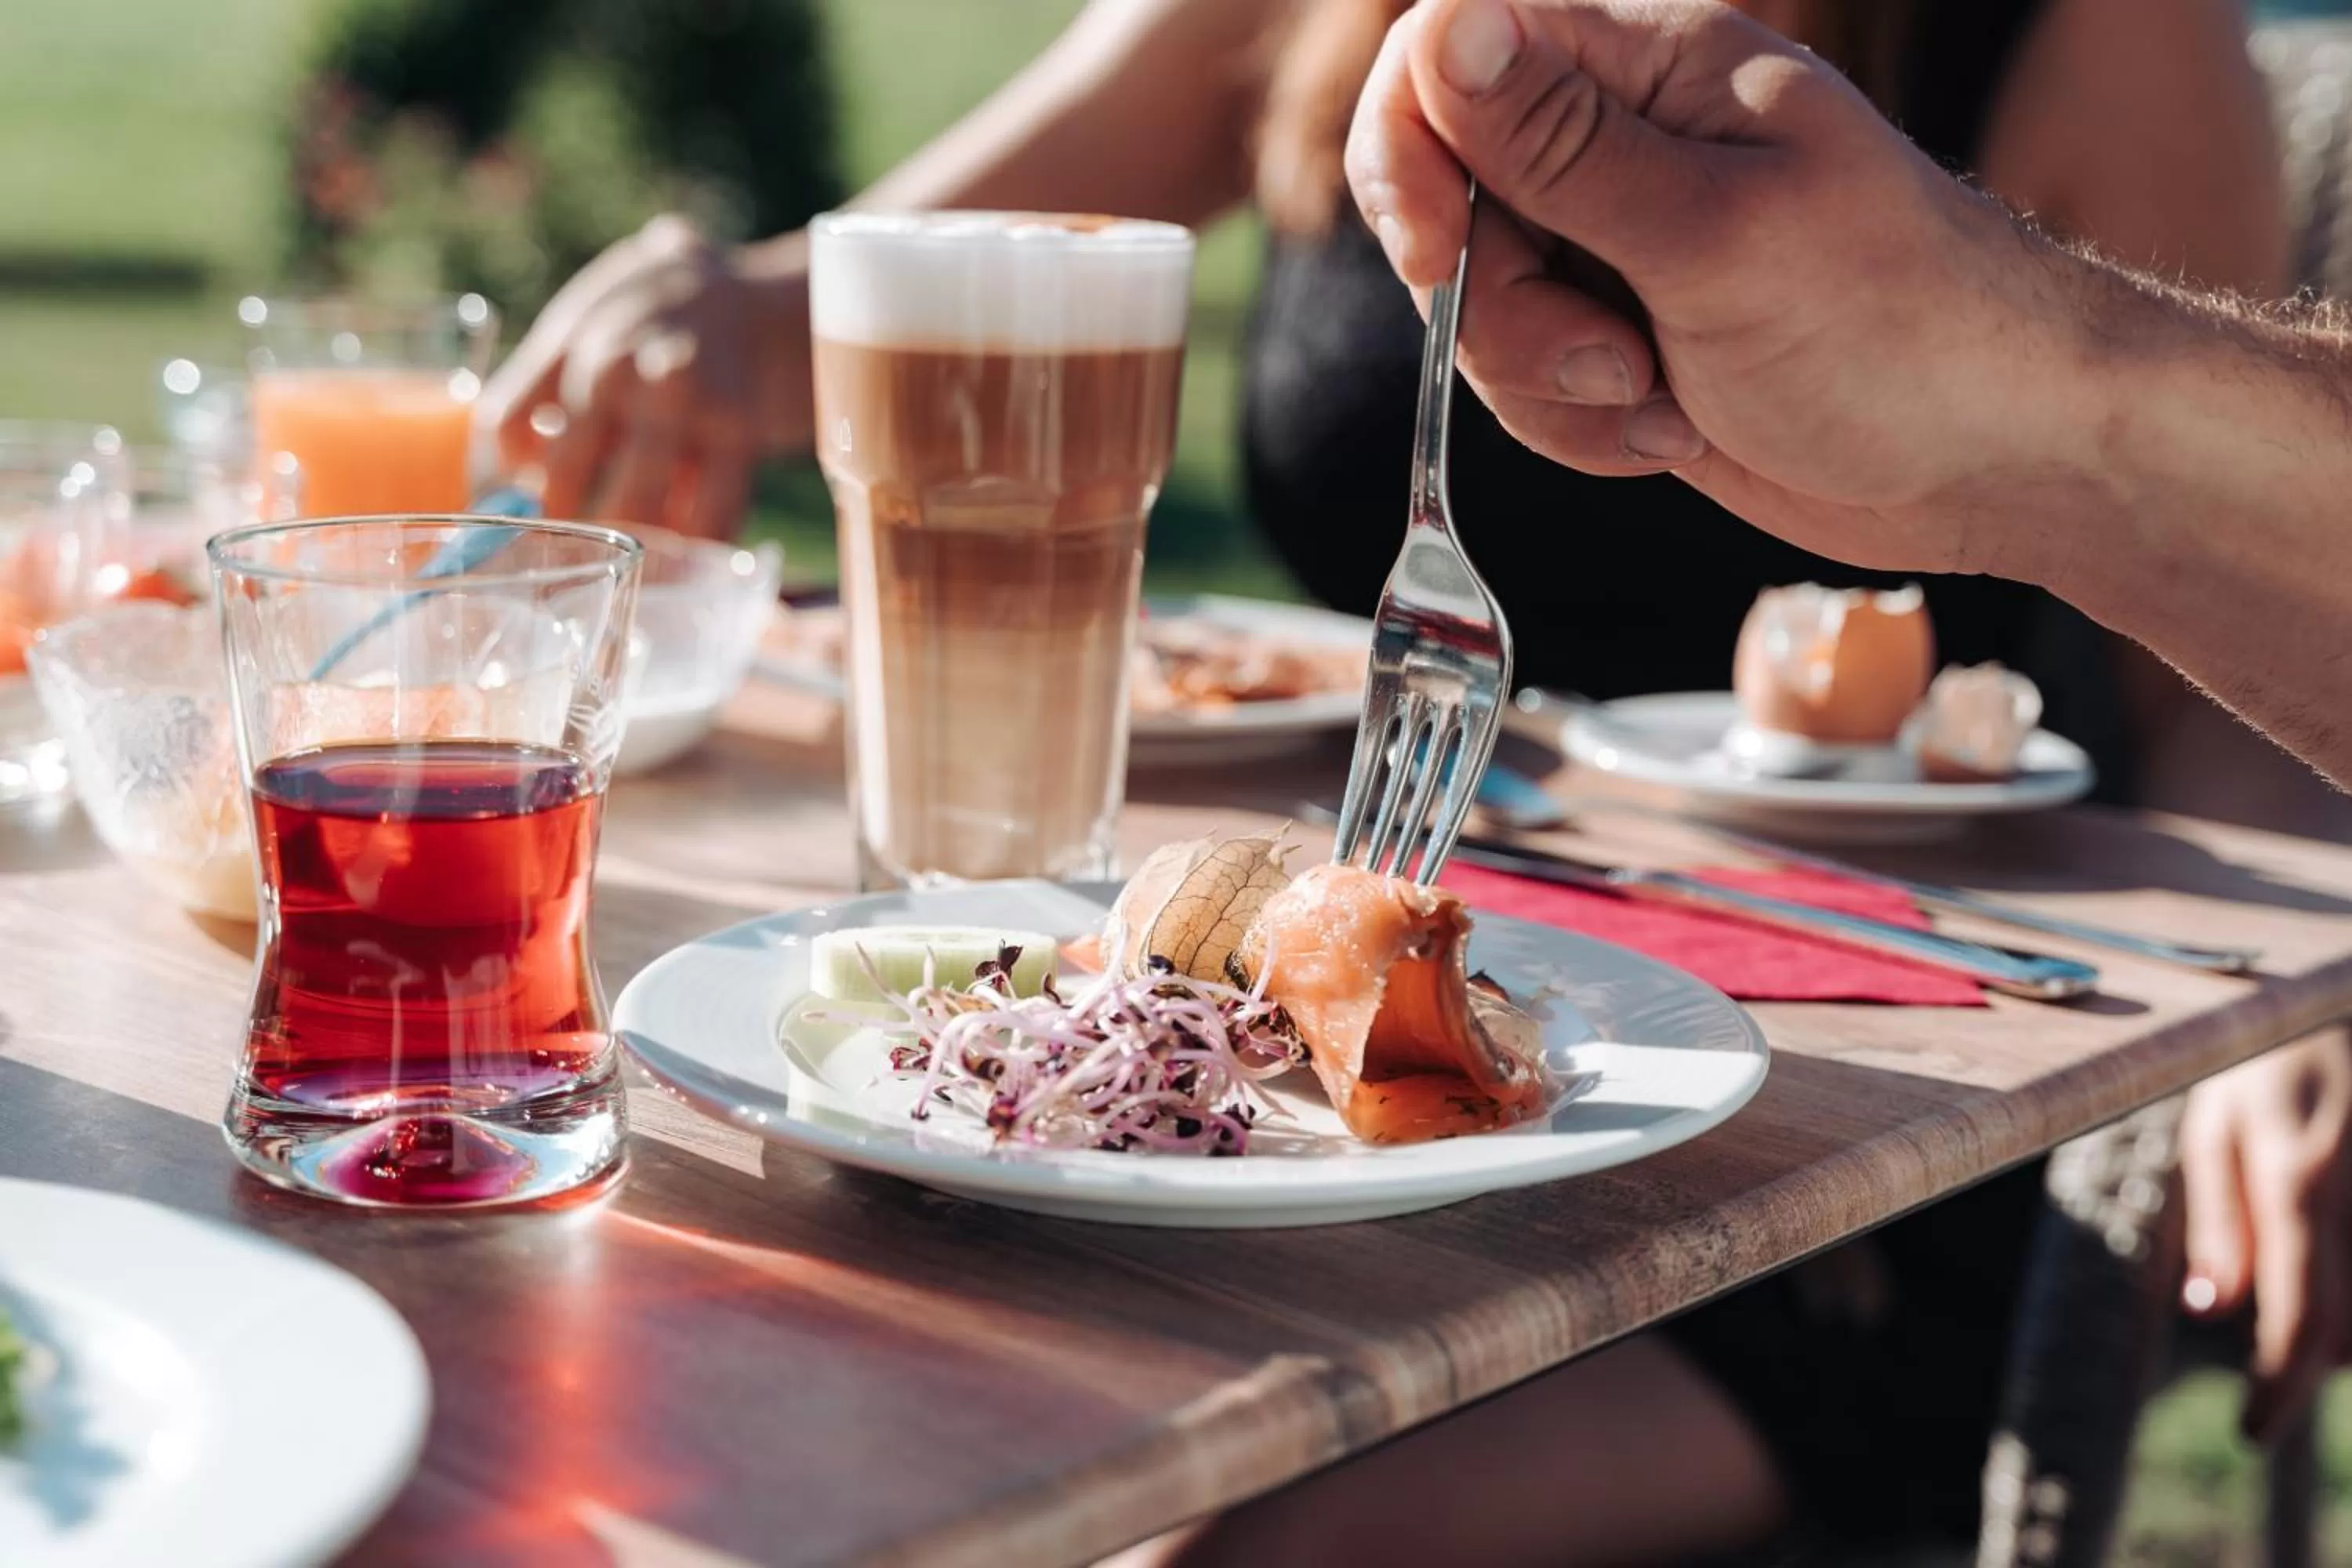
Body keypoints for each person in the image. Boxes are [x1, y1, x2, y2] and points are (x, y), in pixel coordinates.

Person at [487, 1, 2352, 1559]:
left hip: (1866, 1141)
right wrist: (711, 309)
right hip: (1294, 1083)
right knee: (791, 1394)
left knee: (1206, 1534)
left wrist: (2303, 999)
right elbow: (892, 273)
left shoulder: (2096, 36)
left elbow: (2208, 679)